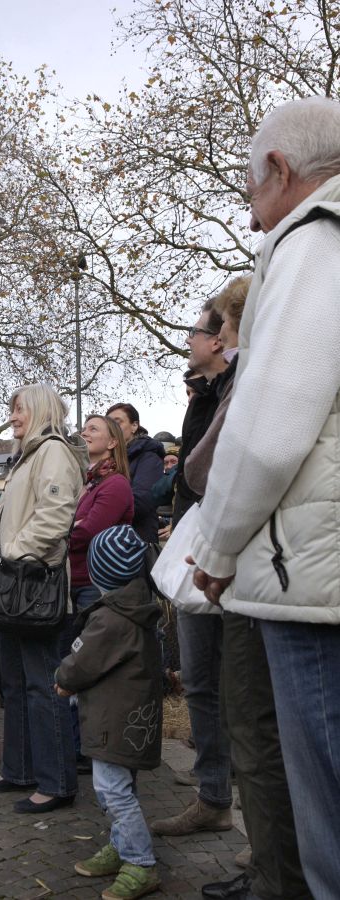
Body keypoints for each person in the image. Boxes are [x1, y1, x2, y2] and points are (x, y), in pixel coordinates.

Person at [188, 96, 340, 900]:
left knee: (330, 844)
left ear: (281, 170)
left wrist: (214, 550)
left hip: (316, 588)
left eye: (252, 192)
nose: (253, 221)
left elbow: (269, 428)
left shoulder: (314, 238)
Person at [0, 382, 87, 813]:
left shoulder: (52, 452)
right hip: (14, 589)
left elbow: (55, 517)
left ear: (40, 410)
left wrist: (12, 553)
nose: (12, 417)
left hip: (33, 587)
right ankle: (20, 769)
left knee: (42, 685)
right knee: (17, 684)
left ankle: (56, 783)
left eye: (19, 409)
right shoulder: (28, 455)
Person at [151, 298, 232, 838]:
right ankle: (213, 797)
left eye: (194, 331)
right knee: (200, 682)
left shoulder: (239, 389)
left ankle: (267, 826)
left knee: (243, 688)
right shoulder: (202, 396)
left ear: (218, 339)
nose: (187, 340)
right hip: (195, 552)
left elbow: (204, 474)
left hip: (231, 553)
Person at [56, 526, 161, 900]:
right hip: (130, 717)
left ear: (100, 571)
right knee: (122, 785)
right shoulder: (137, 608)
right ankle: (121, 844)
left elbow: (83, 661)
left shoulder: (110, 618)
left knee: (112, 791)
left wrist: (63, 678)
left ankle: (140, 862)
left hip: (112, 720)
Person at [69, 415, 134, 614]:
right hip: (69, 578)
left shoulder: (116, 484)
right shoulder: (80, 482)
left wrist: (55, 536)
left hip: (92, 584)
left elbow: (88, 531)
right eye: (84, 429)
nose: (84, 433)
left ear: (112, 442)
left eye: (93, 429)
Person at [105, 403, 164, 542]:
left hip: (135, 541)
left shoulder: (149, 456)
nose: (112, 428)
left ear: (134, 426)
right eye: (108, 424)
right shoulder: (107, 460)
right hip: (107, 538)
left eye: (117, 422)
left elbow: (141, 502)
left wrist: (100, 512)